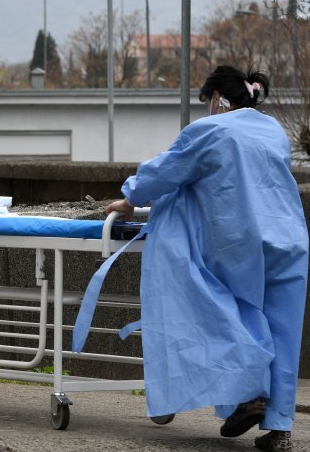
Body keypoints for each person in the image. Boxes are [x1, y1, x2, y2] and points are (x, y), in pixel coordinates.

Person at [105, 65, 306, 452]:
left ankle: (248, 395)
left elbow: (164, 172)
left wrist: (129, 199)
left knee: (231, 313)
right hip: (291, 239)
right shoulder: (273, 130)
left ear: (217, 99)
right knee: (283, 329)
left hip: (242, 240)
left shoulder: (209, 131)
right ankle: (279, 429)